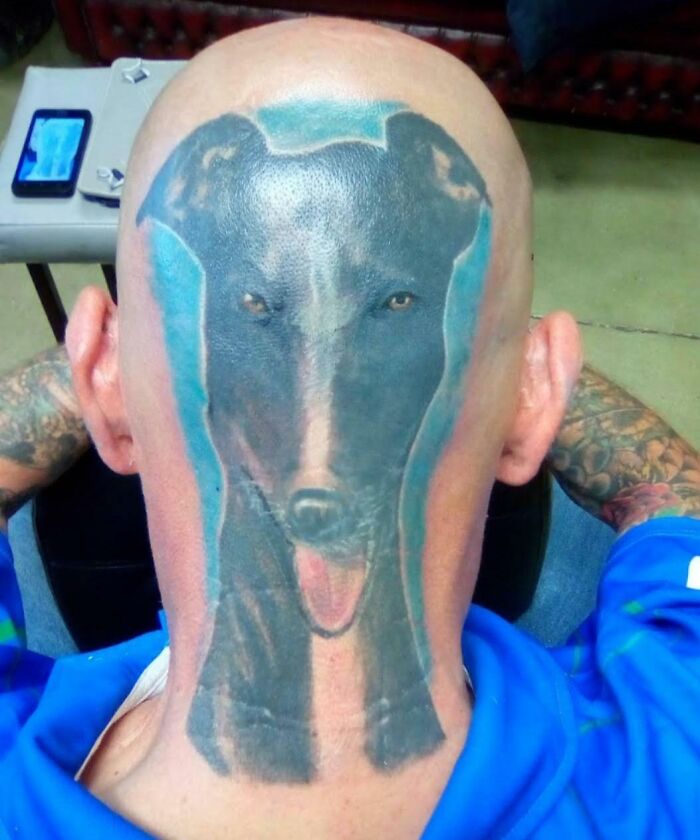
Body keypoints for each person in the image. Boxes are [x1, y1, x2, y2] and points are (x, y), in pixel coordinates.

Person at [1, 17, 699, 839]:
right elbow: (674, 499)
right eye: (256, 309)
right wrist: (502, 356)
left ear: (99, 375)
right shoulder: (673, 748)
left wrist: (126, 367)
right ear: (539, 395)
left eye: (394, 305)